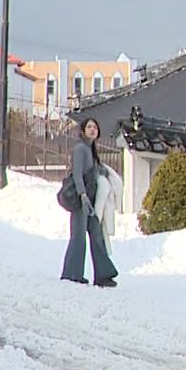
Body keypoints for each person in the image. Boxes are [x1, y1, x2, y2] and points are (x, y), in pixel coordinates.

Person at [60, 117, 118, 288]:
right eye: (89, 127)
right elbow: (77, 174)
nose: (93, 129)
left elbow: (92, 171)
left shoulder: (90, 149)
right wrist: (83, 196)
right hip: (81, 200)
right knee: (78, 237)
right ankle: (72, 273)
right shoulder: (80, 149)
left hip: (91, 200)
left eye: (95, 127)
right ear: (83, 130)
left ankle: (103, 274)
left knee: (96, 235)